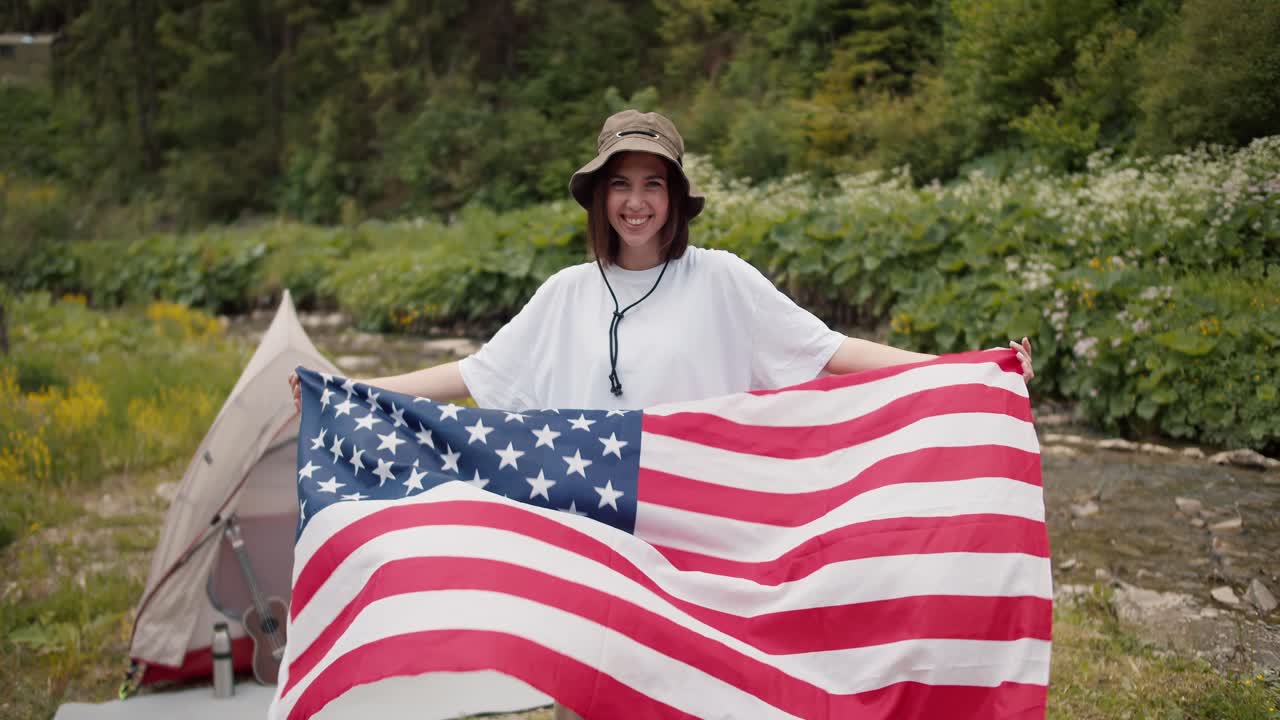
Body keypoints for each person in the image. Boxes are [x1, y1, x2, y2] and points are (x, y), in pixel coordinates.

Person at [289, 109, 1033, 719]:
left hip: (703, 534)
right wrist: (354, 387)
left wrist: (965, 370)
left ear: (675, 197)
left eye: (653, 183)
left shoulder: (721, 281)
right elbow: (472, 376)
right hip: (595, 533)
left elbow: (831, 351)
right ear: (598, 197)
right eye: (621, 184)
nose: (636, 200)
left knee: (698, 693)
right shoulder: (565, 295)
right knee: (594, 690)